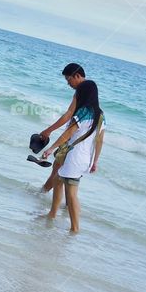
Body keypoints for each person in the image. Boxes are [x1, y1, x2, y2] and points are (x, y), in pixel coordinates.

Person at [40, 80, 105, 233]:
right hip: (85, 159)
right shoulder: (101, 115)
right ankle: (52, 214)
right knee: (57, 180)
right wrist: (95, 161)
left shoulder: (83, 112)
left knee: (72, 194)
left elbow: (67, 134)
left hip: (74, 157)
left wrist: (51, 148)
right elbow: (100, 140)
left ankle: (75, 229)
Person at [38, 63, 87, 193]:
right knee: (67, 176)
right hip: (82, 143)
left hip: (72, 139)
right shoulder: (89, 92)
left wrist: (49, 130)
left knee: (57, 171)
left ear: (77, 76)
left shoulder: (82, 91)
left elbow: (69, 114)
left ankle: (40, 194)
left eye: (68, 79)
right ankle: (65, 206)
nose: (68, 83)